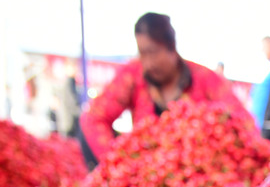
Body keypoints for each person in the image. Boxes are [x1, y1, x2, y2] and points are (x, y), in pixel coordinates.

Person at [79, 13, 244, 167]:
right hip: (145, 181)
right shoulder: (133, 75)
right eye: (142, 53)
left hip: (197, 176)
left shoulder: (205, 79)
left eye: (153, 52)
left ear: (171, 47)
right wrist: (117, 163)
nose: (148, 63)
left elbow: (244, 122)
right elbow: (94, 117)